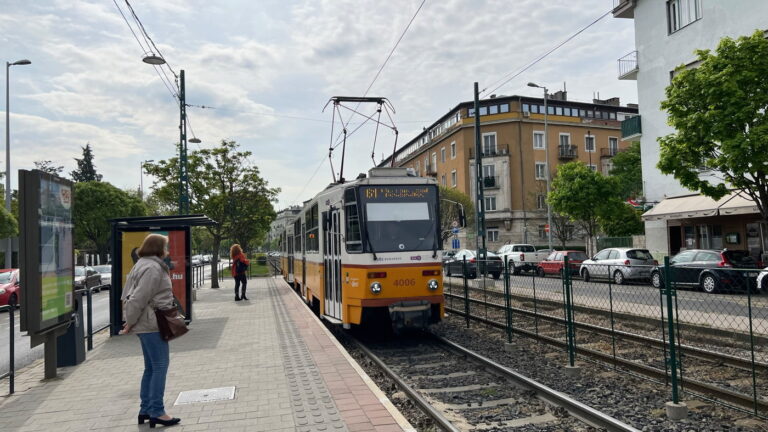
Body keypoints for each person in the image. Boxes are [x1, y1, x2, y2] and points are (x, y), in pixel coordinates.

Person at [120, 234, 181, 429]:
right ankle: (157, 411)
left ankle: (145, 409)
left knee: (151, 367)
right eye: (166, 246)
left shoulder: (141, 264)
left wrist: (130, 321)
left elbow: (126, 294)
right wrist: (129, 322)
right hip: (152, 323)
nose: (168, 250)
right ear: (158, 248)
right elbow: (138, 298)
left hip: (146, 323)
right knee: (160, 366)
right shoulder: (153, 268)